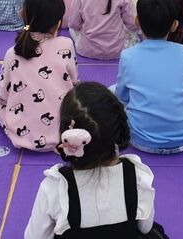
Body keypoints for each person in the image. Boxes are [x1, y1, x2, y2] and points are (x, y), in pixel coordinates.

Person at [25, 82, 163, 238]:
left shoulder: (55, 187)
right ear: (116, 129)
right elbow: (145, 227)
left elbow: (34, 236)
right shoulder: (137, 176)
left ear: (66, 134)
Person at [115, 0, 183, 154]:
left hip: (139, 140)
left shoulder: (128, 56)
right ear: (174, 25)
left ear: (137, 21)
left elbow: (122, 96)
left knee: (112, 90)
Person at [0, 0, 79, 152]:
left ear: (24, 16)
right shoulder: (66, 44)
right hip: (63, 132)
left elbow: (2, 96)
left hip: (23, 137)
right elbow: (74, 83)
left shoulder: (12, 53)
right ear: (58, 23)